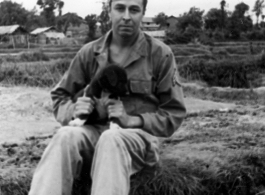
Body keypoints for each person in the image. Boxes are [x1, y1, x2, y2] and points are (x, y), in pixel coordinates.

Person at [28, 0, 186, 194]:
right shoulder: (89, 53)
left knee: (111, 139)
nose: (126, 16)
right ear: (109, 11)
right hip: (93, 134)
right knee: (64, 136)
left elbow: (173, 114)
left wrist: (132, 119)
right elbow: (60, 95)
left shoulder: (161, 54)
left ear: (143, 13)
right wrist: (73, 110)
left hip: (136, 139)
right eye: (120, 8)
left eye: (134, 10)